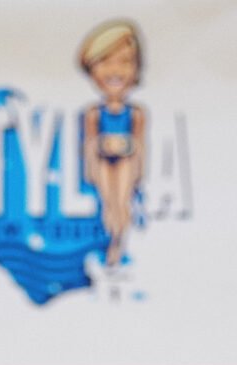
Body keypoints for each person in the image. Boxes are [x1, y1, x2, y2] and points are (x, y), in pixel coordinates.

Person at [78, 19, 145, 278]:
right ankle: (110, 245)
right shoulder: (94, 113)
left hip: (126, 162)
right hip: (104, 163)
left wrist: (137, 171)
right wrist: (93, 168)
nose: (115, 71)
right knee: (109, 203)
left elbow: (139, 145)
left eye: (125, 62)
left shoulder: (136, 113)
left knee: (121, 202)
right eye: (105, 62)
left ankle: (119, 245)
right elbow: (90, 145)